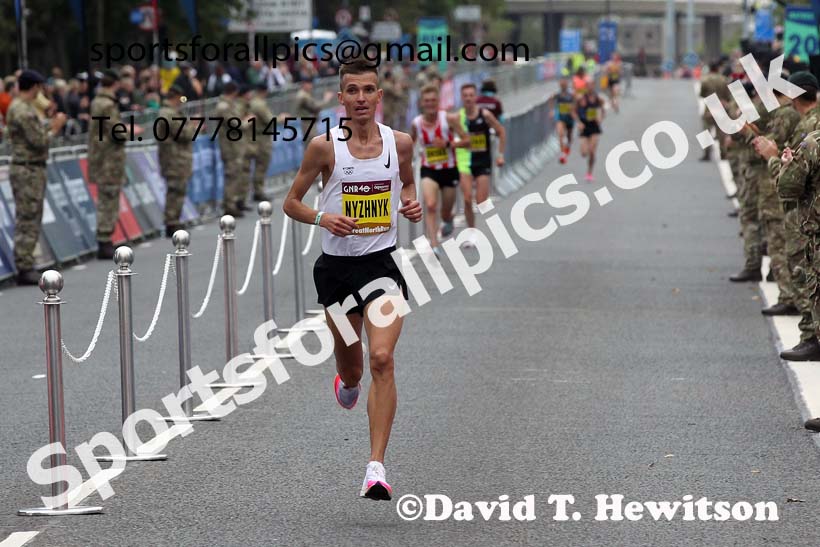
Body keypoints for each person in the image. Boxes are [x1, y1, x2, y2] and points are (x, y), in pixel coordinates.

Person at [282, 59, 422, 501]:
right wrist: (324, 217)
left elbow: (409, 187)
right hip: (337, 272)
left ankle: (375, 468)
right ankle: (346, 381)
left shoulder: (400, 144)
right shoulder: (324, 148)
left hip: (381, 267)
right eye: (352, 91)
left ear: (380, 97)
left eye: (368, 90)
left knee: (382, 357)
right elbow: (291, 203)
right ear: (340, 98)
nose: (361, 98)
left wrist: (412, 204)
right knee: (354, 367)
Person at [6, 69, 66, 284]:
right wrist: (55, 128)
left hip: (30, 168)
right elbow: (38, 141)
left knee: (31, 216)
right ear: (34, 87)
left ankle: (26, 260)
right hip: (27, 169)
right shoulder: (22, 110)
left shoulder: (24, 108)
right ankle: (24, 264)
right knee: (28, 217)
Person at [409, 84, 469, 254]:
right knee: (431, 205)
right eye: (427, 101)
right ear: (422, 103)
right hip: (429, 169)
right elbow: (409, 143)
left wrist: (449, 144)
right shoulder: (416, 123)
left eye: (433, 100)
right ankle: (434, 243)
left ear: (438, 102)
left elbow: (467, 141)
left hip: (449, 169)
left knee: (444, 210)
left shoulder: (449, 119)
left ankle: (447, 219)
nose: (430, 104)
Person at [456, 83, 506, 248]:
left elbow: (501, 131)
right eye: (465, 96)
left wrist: (500, 155)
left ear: (475, 97)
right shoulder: (457, 118)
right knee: (467, 198)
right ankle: (471, 233)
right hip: (465, 162)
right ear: (462, 98)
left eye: (471, 95)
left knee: (481, 201)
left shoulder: (485, 115)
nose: (469, 98)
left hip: (482, 161)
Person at [88, 69, 130, 259]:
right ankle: (104, 239)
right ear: (116, 84)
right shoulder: (107, 105)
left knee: (107, 199)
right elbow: (116, 132)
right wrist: (130, 131)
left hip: (102, 157)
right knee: (109, 199)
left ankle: (105, 238)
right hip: (109, 159)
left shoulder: (97, 102)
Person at [157, 85, 195, 237]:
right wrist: (193, 127)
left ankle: (174, 220)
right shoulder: (168, 114)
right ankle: (171, 221)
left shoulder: (171, 113)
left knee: (178, 190)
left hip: (176, 158)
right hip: (173, 159)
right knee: (175, 190)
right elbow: (184, 133)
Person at [214, 81, 245, 217]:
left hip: (234, 146)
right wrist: (248, 121)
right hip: (229, 147)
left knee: (236, 175)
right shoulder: (224, 107)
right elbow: (236, 124)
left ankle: (234, 201)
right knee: (231, 175)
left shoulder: (229, 105)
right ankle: (229, 205)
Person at [247, 83, 276, 201]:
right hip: (262, 137)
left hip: (256, 136)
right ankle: (258, 191)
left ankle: (257, 190)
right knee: (261, 165)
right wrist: (281, 118)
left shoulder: (252, 102)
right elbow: (269, 119)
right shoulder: (259, 104)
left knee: (258, 165)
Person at [574, 86, 605, 181]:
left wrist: (600, 118)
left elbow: (602, 111)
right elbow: (573, 111)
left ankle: (589, 172)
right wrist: (578, 122)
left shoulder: (598, 99)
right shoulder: (581, 99)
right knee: (584, 153)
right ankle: (586, 156)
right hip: (584, 127)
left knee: (592, 152)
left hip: (594, 128)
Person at [552, 78, 576, 164]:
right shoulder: (557, 94)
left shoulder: (571, 94)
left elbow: (576, 103)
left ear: (567, 84)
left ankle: (568, 147)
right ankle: (562, 154)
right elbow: (551, 99)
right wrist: (551, 110)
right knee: (560, 134)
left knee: (569, 136)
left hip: (569, 117)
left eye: (564, 84)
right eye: (561, 84)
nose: (562, 85)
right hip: (560, 117)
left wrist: (573, 109)